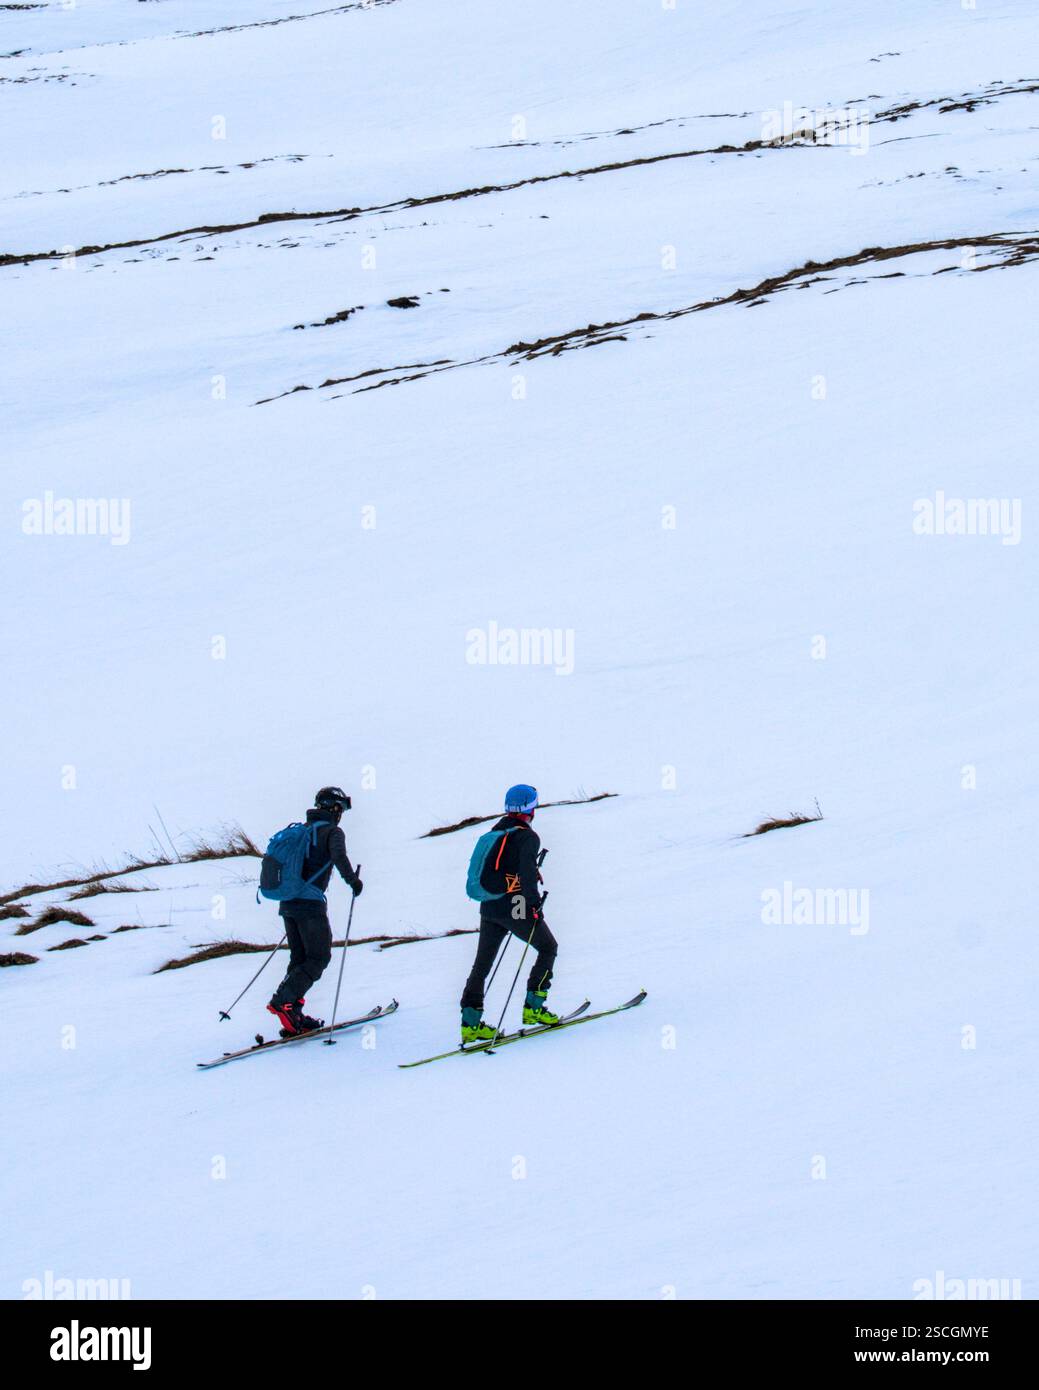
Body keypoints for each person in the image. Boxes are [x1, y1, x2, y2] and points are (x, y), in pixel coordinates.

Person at [459, 784, 558, 1042]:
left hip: (489, 906)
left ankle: (470, 1024)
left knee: (482, 965)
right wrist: (534, 905)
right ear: (530, 808)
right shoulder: (528, 836)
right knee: (548, 947)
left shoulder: (497, 830)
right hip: (514, 907)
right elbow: (525, 877)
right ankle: (534, 1008)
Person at [267, 786, 363, 1035]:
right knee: (319, 957)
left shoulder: (302, 830)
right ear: (334, 809)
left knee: (300, 959)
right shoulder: (333, 832)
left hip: (287, 903)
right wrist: (354, 881)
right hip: (310, 903)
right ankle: (285, 1003)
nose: (341, 814)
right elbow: (340, 858)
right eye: (340, 808)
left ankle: (292, 1013)